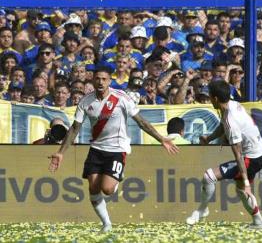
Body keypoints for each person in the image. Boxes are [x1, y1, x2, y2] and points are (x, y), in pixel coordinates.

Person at [48, 66, 179, 232]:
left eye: (104, 79)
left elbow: (141, 121)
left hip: (117, 148)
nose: (101, 82)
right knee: (93, 188)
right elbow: (74, 129)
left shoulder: (121, 98)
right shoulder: (86, 101)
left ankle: (117, 176)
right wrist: (60, 153)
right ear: (93, 80)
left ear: (110, 81)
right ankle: (107, 224)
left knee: (107, 189)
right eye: (97, 79)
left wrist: (161, 139)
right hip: (96, 148)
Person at [186, 79, 262, 229]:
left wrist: (247, 183)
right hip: (259, 153)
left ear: (215, 99)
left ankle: (201, 210)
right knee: (240, 189)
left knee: (209, 177)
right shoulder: (233, 105)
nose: (210, 99)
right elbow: (222, 124)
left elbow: (238, 155)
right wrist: (209, 138)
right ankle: (258, 221)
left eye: (210, 97)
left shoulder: (231, 121)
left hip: (251, 158)